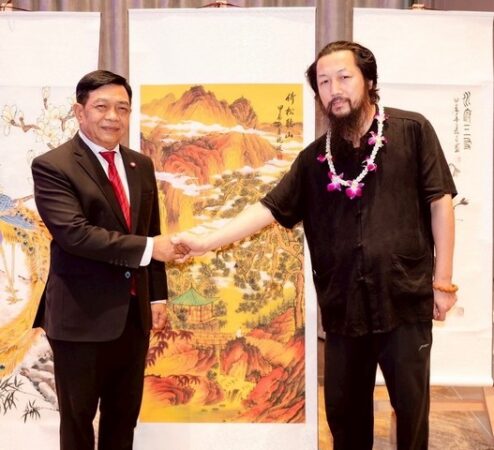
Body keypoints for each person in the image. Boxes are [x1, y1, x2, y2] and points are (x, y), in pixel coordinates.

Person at [172, 41, 458, 450]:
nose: (334, 90)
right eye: (324, 83)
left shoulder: (413, 130)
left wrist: (443, 283)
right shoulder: (314, 160)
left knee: (412, 412)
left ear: (369, 81)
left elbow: (440, 201)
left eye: (344, 77)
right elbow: (268, 208)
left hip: (404, 300)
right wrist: (204, 243)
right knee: (344, 418)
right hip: (344, 310)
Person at [31, 70, 186, 450]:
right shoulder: (53, 165)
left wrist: (157, 296)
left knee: (123, 419)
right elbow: (75, 234)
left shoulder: (140, 164)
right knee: (78, 422)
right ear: (80, 111)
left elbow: (151, 231)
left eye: (122, 108)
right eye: (101, 107)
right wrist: (150, 249)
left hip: (133, 317)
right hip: (79, 319)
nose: (113, 117)